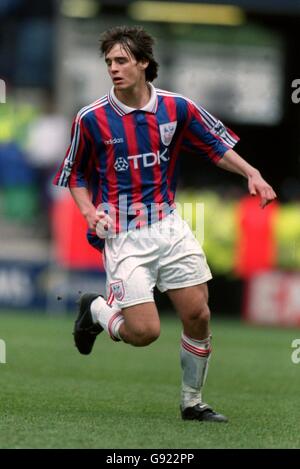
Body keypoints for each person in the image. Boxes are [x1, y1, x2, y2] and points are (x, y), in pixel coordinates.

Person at [53, 26, 277, 423]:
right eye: (108, 62)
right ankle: (96, 311)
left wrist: (251, 173)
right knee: (144, 333)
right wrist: (89, 212)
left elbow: (216, 146)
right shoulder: (91, 118)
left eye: (121, 60)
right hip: (122, 234)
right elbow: (74, 174)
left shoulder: (178, 108)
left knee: (199, 315)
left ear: (143, 63)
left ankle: (193, 402)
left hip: (169, 226)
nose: (113, 68)